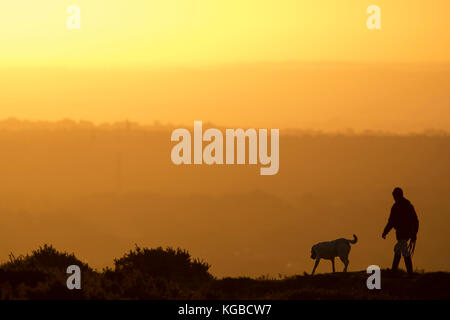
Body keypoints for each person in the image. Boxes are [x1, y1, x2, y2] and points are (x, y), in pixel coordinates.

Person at [382, 187, 419, 274]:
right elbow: (415, 221)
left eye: (394, 196)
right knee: (398, 249)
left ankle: (408, 273)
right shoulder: (408, 206)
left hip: (403, 233)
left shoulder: (397, 207)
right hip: (406, 233)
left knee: (404, 251)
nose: (394, 198)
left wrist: (385, 232)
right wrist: (414, 233)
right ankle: (394, 271)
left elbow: (391, 222)